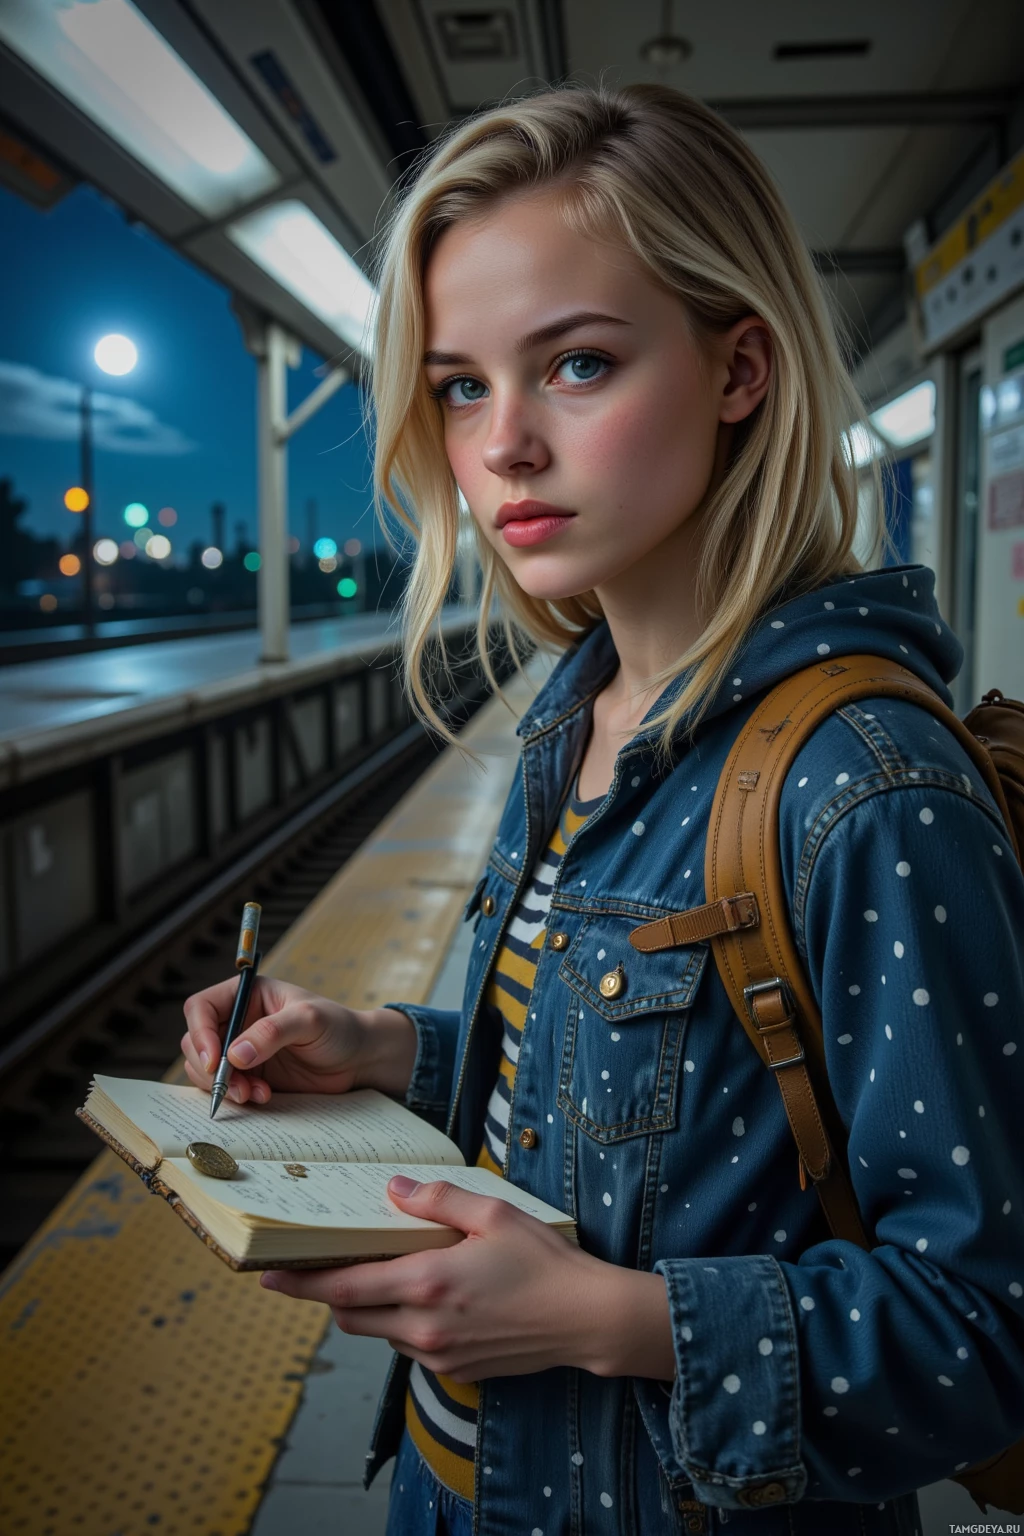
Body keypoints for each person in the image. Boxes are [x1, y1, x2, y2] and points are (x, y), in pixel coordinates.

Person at [182, 83, 1024, 1535]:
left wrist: (611, 1321)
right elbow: (624, 1108)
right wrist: (384, 1050)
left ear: (740, 369)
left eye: (575, 364)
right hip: (458, 1496)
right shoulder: (576, 719)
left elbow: (986, 1330)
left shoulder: (866, 785)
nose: (502, 443)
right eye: (460, 384)